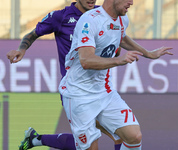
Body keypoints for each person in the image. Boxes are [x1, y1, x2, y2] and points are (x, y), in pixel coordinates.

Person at [6, 0, 122, 150]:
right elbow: (32, 34)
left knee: (118, 136)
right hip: (75, 92)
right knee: (105, 140)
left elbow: (115, 41)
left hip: (99, 90)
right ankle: (36, 140)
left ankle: (35, 139)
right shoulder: (61, 17)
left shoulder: (103, 14)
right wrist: (21, 50)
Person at [58, 0, 173, 149]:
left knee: (134, 136)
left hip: (104, 92)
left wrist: (148, 54)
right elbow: (86, 61)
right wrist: (119, 60)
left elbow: (122, 37)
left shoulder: (122, 18)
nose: (131, 2)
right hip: (78, 94)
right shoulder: (89, 20)